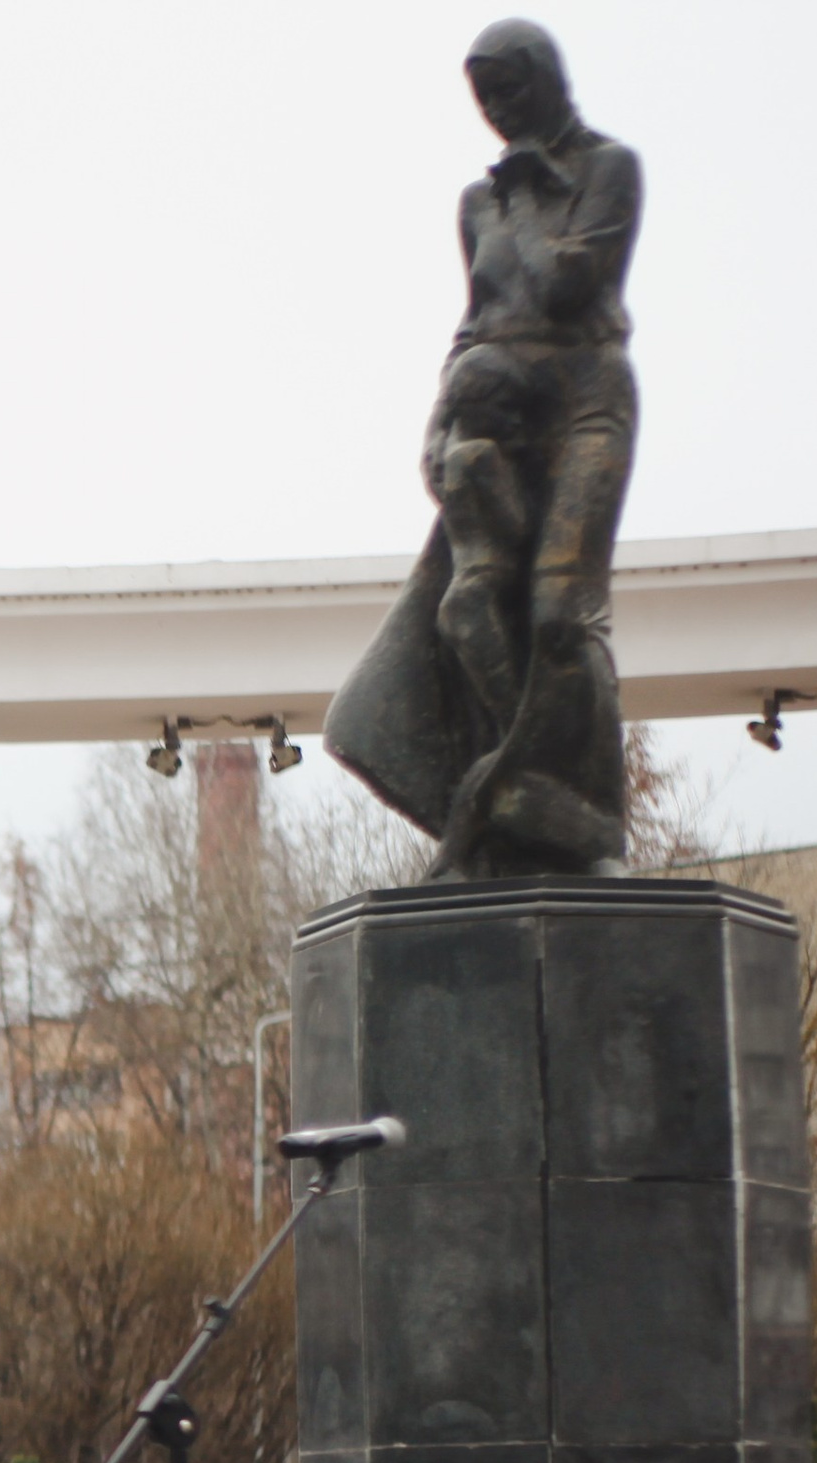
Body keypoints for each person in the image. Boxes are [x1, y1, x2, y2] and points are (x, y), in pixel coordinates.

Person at [325, 19, 640, 877]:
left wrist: (532, 191)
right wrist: (438, 421)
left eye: (510, 90)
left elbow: (569, 284)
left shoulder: (605, 169)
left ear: (549, 79)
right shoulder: (478, 202)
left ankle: (597, 828)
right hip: (494, 415)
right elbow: (476, 323)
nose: (498, 111)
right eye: (484, 97)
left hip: (584, 407)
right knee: (472, 615)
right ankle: (521, 812)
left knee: (562, 621)